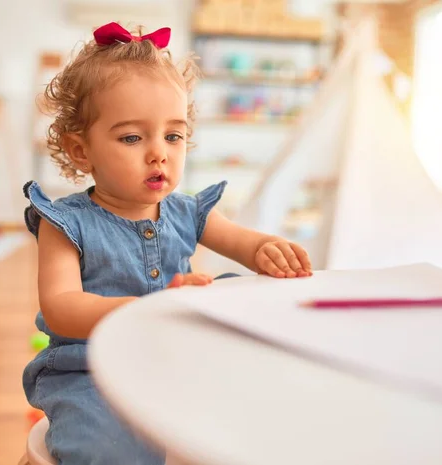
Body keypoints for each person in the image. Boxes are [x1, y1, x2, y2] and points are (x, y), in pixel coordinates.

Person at [22, 22, 313, 465]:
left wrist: (265, 250)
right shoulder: (64, 223)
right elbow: (61, 306)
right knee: (106, 448)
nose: (159, 153)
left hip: (177, 361)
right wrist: (147, 309)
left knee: (243, 324)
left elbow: (242, 242)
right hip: (92, 372)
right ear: (81, 151)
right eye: (132, 138)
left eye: (173, 135)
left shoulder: (188, 211)